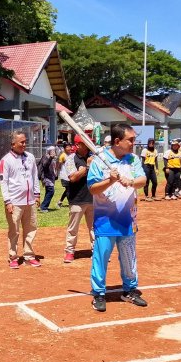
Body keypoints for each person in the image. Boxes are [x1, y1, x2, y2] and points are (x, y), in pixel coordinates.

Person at [87, 124, 147, 312]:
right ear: (117, 141)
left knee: (129, 257)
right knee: (102, 256)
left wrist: (131, 181)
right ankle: (98, 293)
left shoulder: (133, 159)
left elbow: (142, 180)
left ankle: (129, 289)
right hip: (105, 220)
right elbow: (93, 189)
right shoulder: (99, 161)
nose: (133, 143)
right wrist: (110, 180)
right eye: (130, 140)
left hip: (128, 219)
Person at [0, 131, 41, 269]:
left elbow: (35, 176)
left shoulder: (30, 157)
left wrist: (37, 193)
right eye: (21, 142)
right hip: (15, 202)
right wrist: (7, 201)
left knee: (31, 229)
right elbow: (3, 182)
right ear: (13, 143)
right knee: (14, 231)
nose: (24, 144)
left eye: (25, 141)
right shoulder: (6, 160)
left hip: (30, 201)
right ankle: (13, 257)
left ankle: (29, 255)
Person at [63, 135, 94, 263]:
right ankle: (69, 251)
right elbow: (73, 178)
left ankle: (96, 251)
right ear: (78, 145)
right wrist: (86, 168)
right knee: (73, 228)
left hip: (93, 198)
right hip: (77, 198)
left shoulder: (94, 157)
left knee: (94, 228)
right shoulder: (71, 159)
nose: (87, 145)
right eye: (84, 143)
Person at [37, 146, 58, 212]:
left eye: (54, 151)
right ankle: (43, 207)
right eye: (52, 151)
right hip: (46, 177)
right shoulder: (46, 157)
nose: (54, 152)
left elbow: (54, 167)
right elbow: (45, 165)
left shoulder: (53, 158)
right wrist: (51, 157)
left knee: (49, 191)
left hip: (51, 177)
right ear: (49, 151)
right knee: (51, 191)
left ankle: (44, 206)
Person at [56, 143, 73, 208]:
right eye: (67, 147)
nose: (69, 148)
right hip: (64, 175)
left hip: (70, 174)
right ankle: (71, 203)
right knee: (68, 189)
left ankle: (60, 201)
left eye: (70, 147)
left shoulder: (71, 155)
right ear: (64, 148)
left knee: (69, 189)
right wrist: (57, 173)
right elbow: (59, 165)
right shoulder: (63, 155)